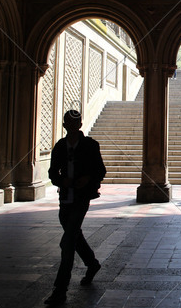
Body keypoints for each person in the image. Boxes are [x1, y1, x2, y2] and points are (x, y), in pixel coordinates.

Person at [45, 110, 106, 306]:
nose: (72, 126)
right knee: (73, 235)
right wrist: (63, 181)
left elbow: (100, 170)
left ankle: (60, 290)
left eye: (75, 123)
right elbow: (53, 173)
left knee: (68, 243)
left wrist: (87, 179)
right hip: (65, 199)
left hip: (81, 199)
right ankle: (92, 263)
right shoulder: (60, 147)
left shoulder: (90, 145)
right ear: (64, 125)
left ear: (80, 124)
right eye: (68, 123)